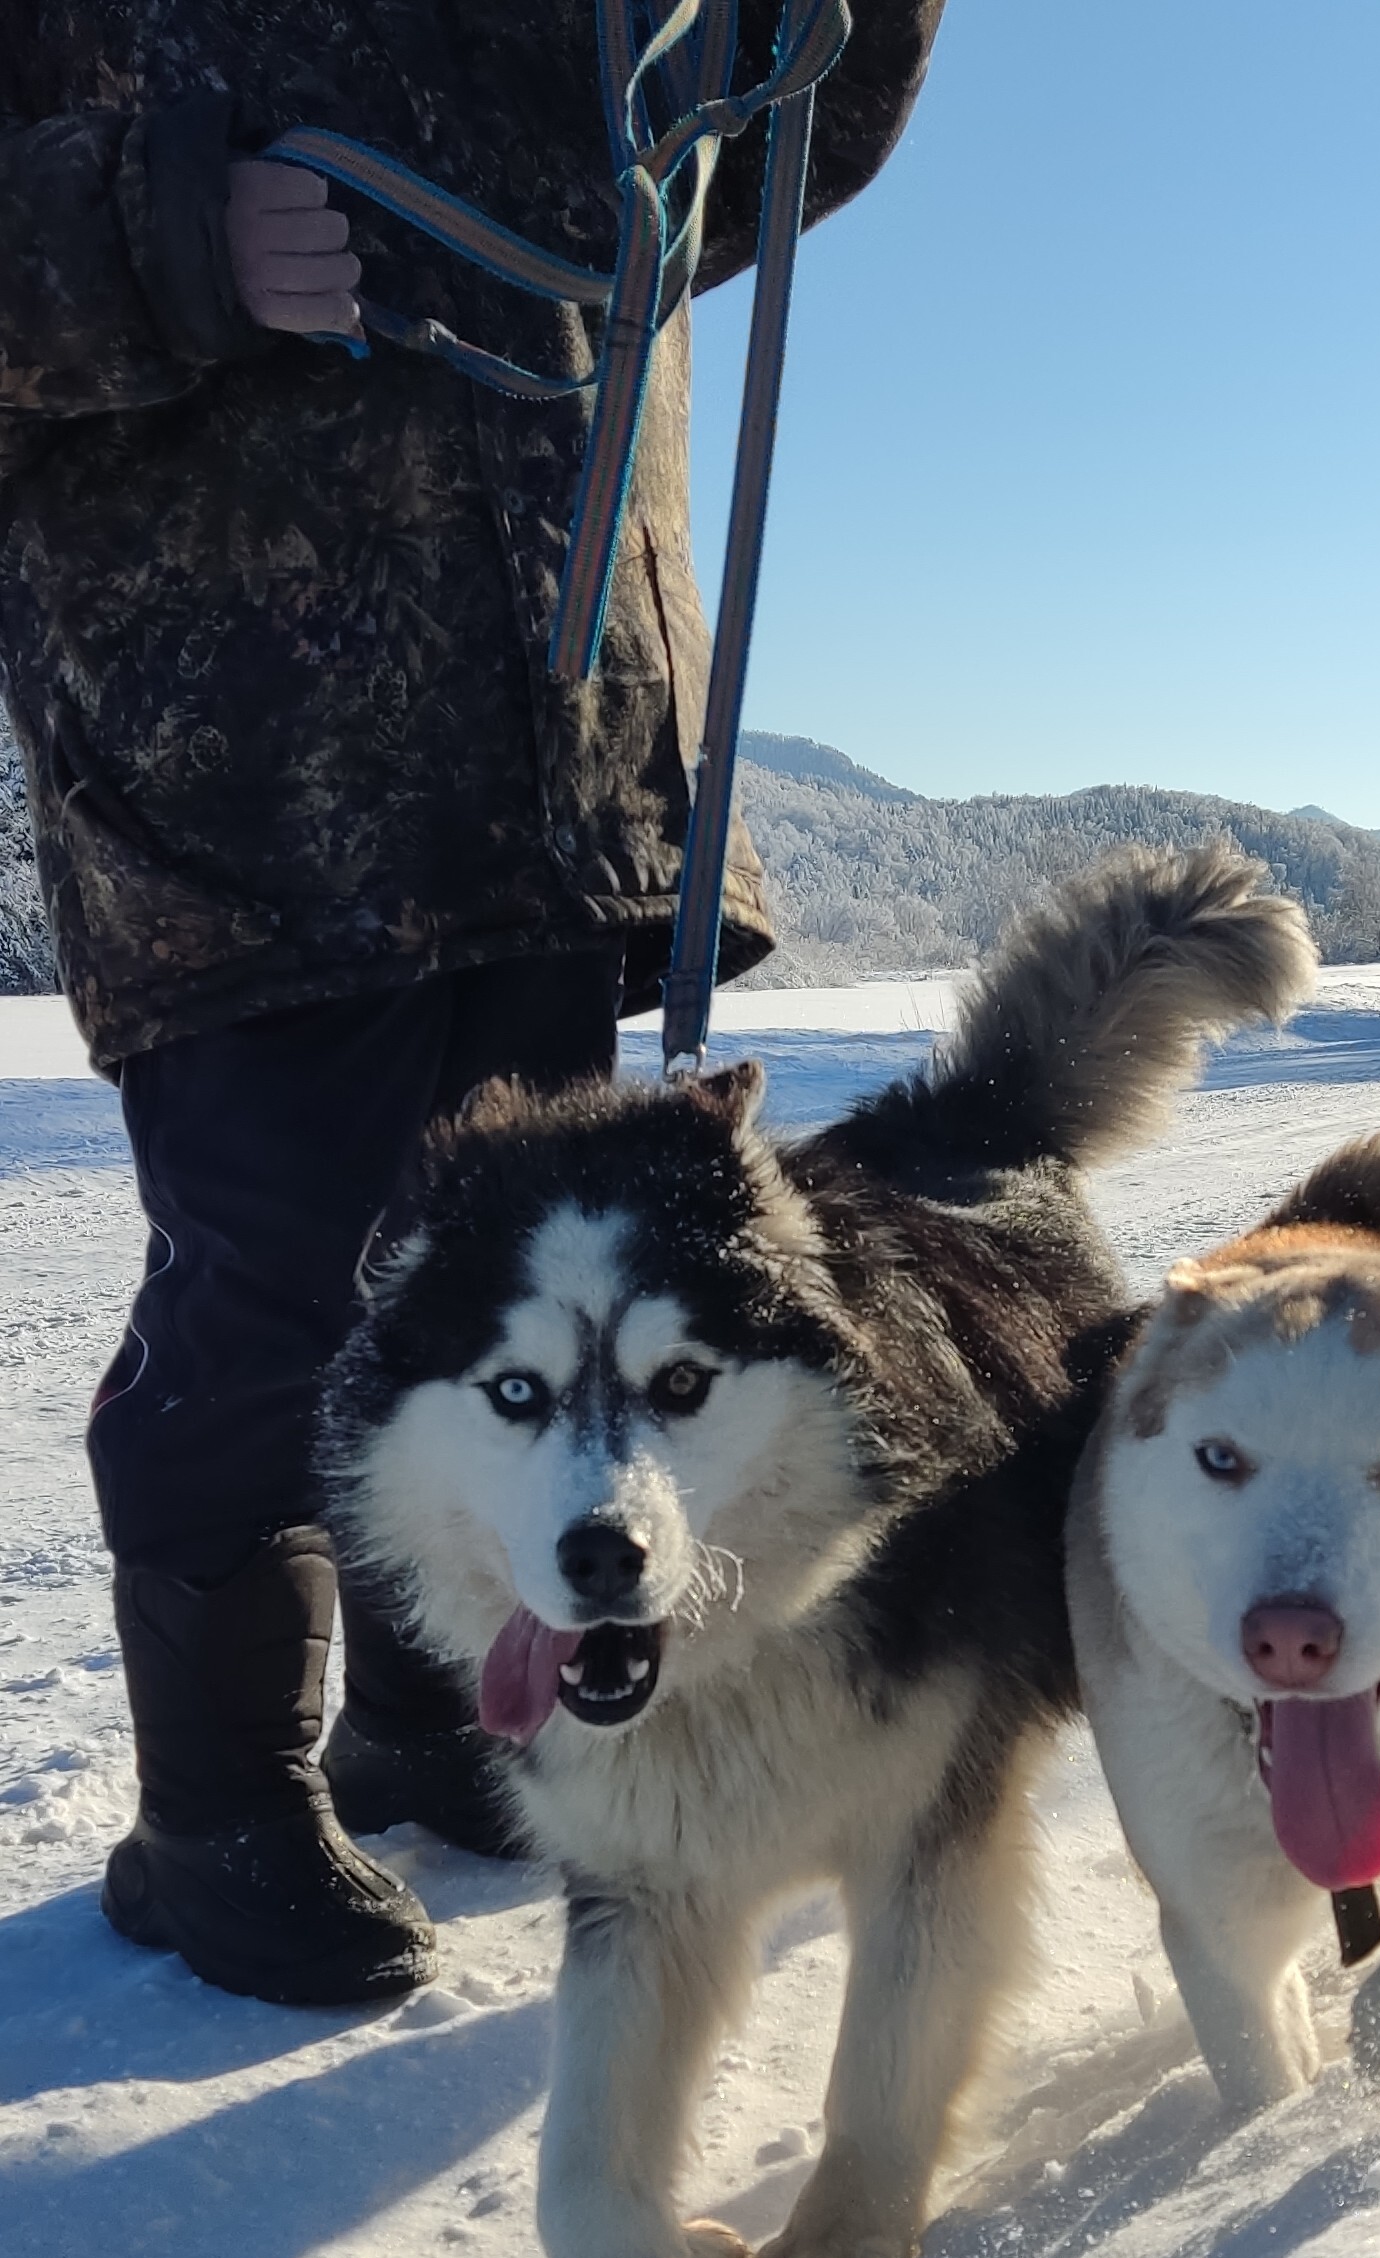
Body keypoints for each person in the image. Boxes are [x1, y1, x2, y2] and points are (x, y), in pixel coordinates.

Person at [0, 2, 940, 2006]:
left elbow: (745, 138)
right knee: (271, 1284)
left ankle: (439, 1709)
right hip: (240, 762)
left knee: (504, 1289)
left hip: (552, 742)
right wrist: (169, 234)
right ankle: (212, 1807)